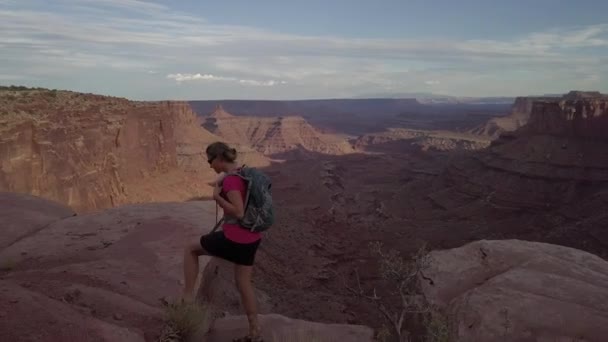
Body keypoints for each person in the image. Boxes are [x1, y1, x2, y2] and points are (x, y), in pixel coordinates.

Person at [182, 142, 263, 342]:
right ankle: (254, 331)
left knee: (191, 249)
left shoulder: (230, 181)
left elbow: (238, 211)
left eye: (210, 161)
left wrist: (217, 197)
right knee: (243, 283)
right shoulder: (242, 171)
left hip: (235, 238)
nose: (210, 165)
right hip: (252, 237)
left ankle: (186, 298)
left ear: (219, 158)